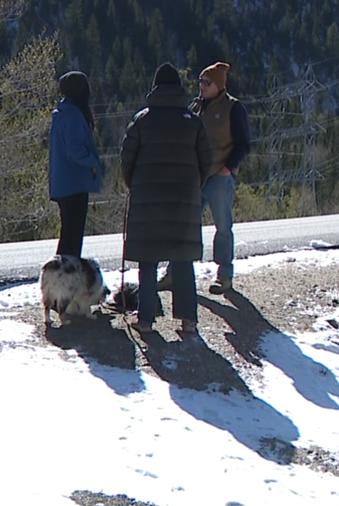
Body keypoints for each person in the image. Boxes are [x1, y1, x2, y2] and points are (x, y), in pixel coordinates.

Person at [121, 63, 214, 334]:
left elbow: (127, 159)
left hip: (147, 200)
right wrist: (194, 185)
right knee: (182, 259)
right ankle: (188, 320)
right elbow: (207, 160)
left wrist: (134, 185)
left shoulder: (142, 120)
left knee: (148, 261)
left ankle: (146, 319)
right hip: (184, 200)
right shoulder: (193, 122)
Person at [189, 61, 251, 295]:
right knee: (187, 226)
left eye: (207, 83)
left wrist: (228, 168)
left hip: (219, 177)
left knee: (223, 227)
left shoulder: (234, 108)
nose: (202, 86)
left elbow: (244, 144)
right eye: (200, 82)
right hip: (196, 177)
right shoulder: (195, 107)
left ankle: (224, 275)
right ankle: (177, 273)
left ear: (219, 85)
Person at [48, 70, 103, 257]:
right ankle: (67, 275)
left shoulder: (61, 114)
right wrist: (93, 162)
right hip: (74, 184)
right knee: (72, 236)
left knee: (68, 234)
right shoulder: (73, 115)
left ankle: (62, 274)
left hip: (63, 184)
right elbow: (75, 150)